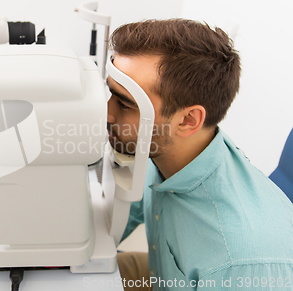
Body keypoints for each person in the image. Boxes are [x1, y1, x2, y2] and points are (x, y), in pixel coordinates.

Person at [107, 19, 293, 290]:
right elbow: (115, 217)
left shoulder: (238, 263)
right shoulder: (166, 148)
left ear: (188, 120)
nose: (106, 113)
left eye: (124, 104)